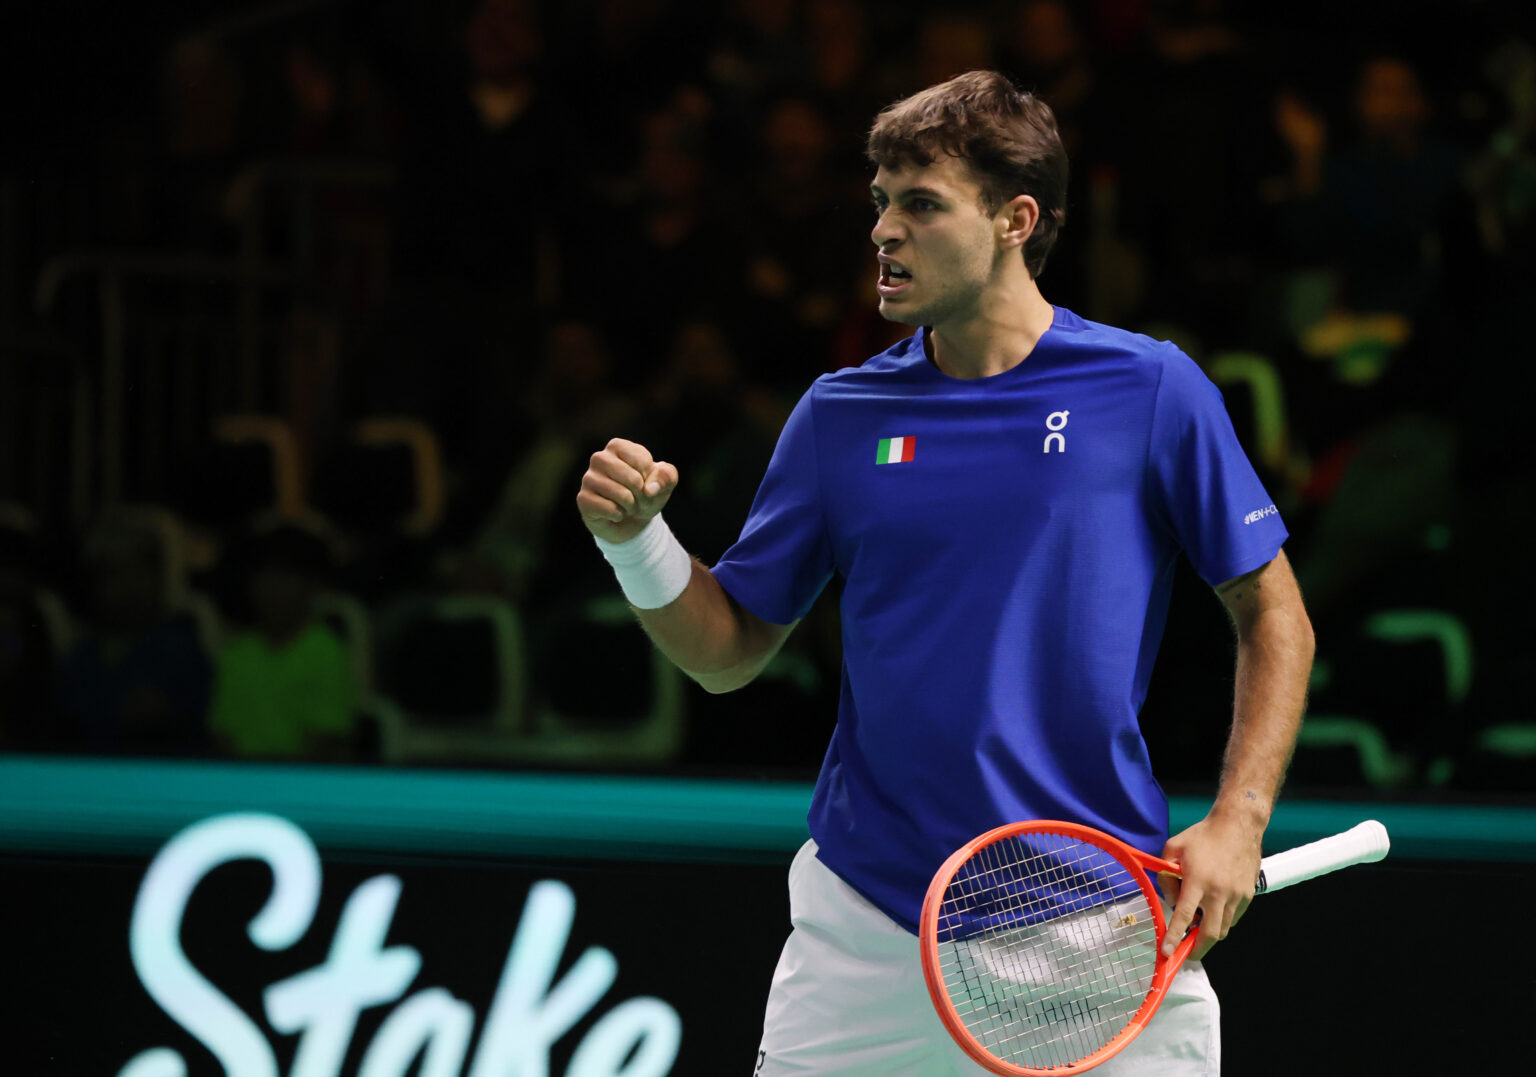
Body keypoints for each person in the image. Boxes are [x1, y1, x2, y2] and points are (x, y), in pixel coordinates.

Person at [577, 71, 1313, 1075]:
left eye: (920, 204)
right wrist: (638, 544)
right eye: (879, 202)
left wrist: (1238, 821)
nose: (884, 230)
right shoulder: (841, 416)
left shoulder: (1149, 390)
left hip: (1096, 919)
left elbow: (1273, 611)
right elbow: (727, 653)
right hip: (868, 928)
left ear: (1015, 220)